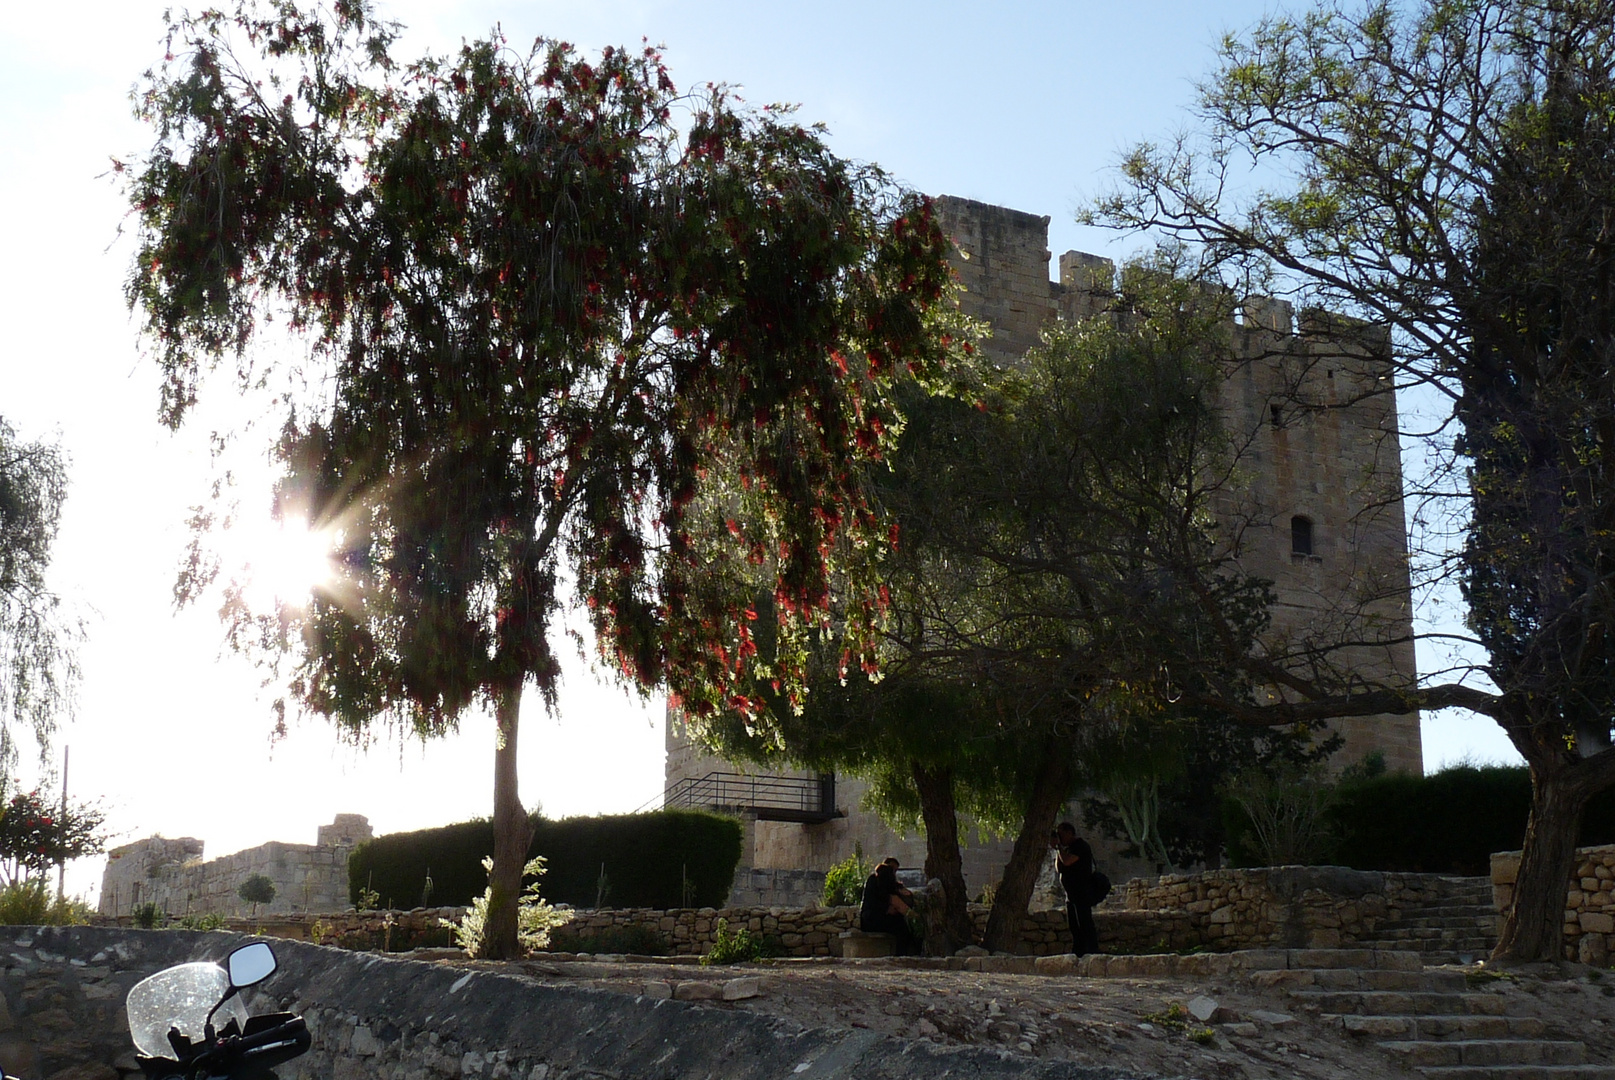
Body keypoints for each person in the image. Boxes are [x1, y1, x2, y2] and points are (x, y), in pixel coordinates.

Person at [1052, 822, 1098, 957]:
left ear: (1069, 833)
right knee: (1074, 927)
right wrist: (1057, 849)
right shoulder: (1067, 849)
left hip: (1081, 892)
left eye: (1061, 834)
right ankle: (1079, 953)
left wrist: (1059, 847)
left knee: (1085, 924)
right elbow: (1060, 868)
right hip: (1071, 895)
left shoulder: (1081, 847)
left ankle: (1092, 952)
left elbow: (1067, 861)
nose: (1060, 838)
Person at [858, 860, 919, 954]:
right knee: (901, 928)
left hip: (875, 918)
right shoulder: (877, 881)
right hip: (872, 919)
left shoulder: (884, 882)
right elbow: (876, 903)